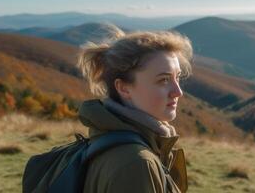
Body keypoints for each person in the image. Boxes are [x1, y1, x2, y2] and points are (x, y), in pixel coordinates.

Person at [77, 24, 193, 193]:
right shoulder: (137, 164)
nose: (178, 92)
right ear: (123, 88)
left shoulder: (109, 138)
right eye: (163, 80)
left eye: (177, 77)